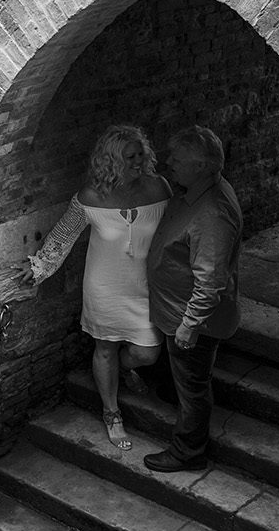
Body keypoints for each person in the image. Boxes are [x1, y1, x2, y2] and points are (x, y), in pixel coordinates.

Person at [20, 126, 171, 451]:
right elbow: (62, 237)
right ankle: (112, 413)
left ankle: (125, 368)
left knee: (147, 351)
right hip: (105, 287)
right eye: (129, 157)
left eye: (140, 154)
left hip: (146, 287)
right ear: (111, 161)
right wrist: (38, 267)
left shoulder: (159, 188)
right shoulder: (90, 198)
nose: (138, 161)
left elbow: (176, 232)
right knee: (104, 348)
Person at [142, 125, 243, 473]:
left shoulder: (212, 212)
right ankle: (176, 397)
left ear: (201, 166)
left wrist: (189, 325)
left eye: (178, 159)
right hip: (173, 308)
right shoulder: (197, 190)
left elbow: (211, 279)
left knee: (194, 386)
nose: (169, 163)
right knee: (185, 379)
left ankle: (188, 451)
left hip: (190, 317)